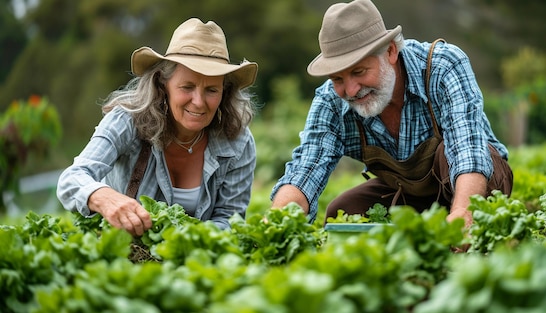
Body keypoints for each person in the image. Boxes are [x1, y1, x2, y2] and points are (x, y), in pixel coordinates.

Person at [270, 0, 513, 228]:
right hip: (408, 195)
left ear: (391, 52)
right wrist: (277, 223)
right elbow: (306, 169)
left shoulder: (443, 66)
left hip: (477, 183)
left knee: (447, 156)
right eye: (337, 78)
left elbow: (468, 150)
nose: (351, 90)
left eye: (359, 71)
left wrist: (464, 213)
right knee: (342, 214)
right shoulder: (331, 101)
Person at [57, 18, 258, 236]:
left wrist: (185, 242)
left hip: (194, 263)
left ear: (225, 92)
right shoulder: (127, 120)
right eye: (187, 87)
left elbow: (230, 219)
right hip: (122, 255)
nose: (199, 102)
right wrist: (104, 197)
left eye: (211, 90)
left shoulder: (238, 142)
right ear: (163, 83)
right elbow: (72, 179)